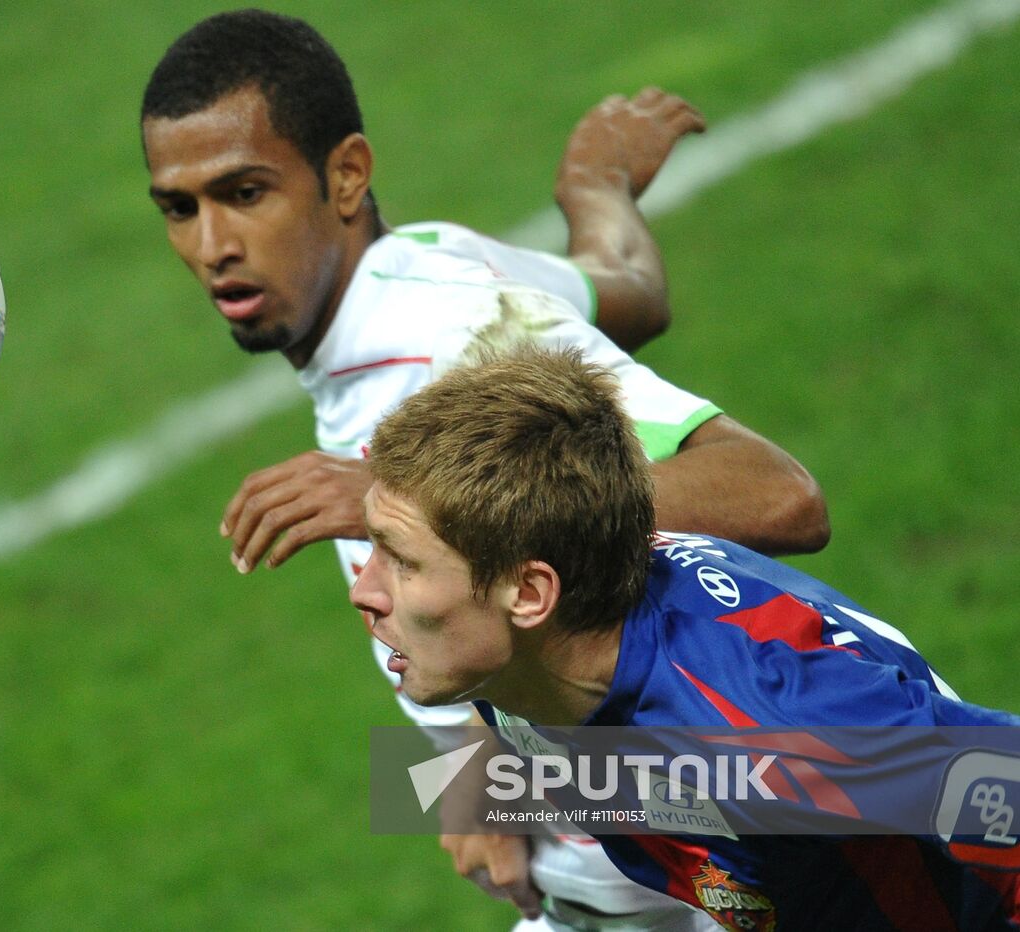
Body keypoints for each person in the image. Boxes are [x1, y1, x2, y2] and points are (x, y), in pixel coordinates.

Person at [141, 9, 828, 927]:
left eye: (245, 193)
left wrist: (407, 502)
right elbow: (626, 295)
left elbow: (778, 496)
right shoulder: (428, 258)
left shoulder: (455, 326)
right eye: (180, 208)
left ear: (345, 175)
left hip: (691, 882)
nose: (212, 244)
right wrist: (596, 186)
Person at [351, 344, 1020, 930]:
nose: (364, 592)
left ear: (529, 595)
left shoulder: (763, 725)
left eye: (401, 561)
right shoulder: (533, 657)